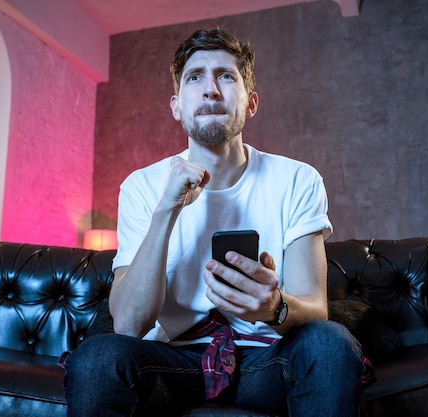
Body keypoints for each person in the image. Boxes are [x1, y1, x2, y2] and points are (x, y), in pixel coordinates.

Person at [64, 28, 366, 417]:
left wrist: (274, 307)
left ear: (251, 103)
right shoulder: (141, 186)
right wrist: (165, 211)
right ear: (176, 106)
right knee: (97, 357)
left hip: (267, 360)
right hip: (172, 362)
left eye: (226, 76)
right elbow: (128, 324)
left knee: (328, 343)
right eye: (195, 77)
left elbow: (314, 307)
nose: (210, 90)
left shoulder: (297, 179)